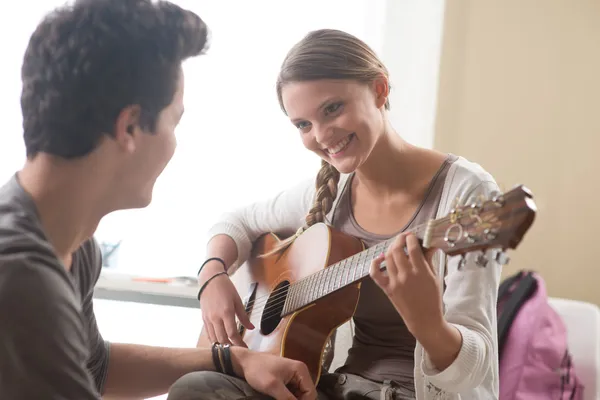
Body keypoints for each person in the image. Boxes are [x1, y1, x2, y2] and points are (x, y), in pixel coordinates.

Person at [0, 1, 317, 399]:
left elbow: (95, 368)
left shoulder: (71, 247)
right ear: (130, 126)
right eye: (174, 121)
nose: (174, 143)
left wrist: (234, 360)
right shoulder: (20, 278)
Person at [172, 29, 504, 399]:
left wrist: (428, 322)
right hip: (340, 388)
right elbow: (236, 222)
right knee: (197, 387)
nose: (322, 135)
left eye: (332, 109)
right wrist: (213, 274)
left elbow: (476, 367)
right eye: (303, 125)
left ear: (380, 90)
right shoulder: (331, 191)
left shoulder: (467, 195)